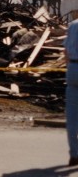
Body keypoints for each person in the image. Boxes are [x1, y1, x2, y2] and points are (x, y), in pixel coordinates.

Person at [65, 10, 78, 166]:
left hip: (74, 68)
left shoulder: (73, 25)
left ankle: (74, 154)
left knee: (72, 116)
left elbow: (66, 51)